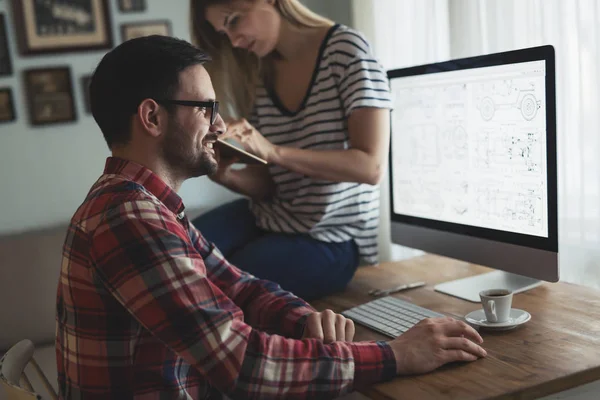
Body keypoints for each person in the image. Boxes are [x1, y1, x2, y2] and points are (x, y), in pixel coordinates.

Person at [55, 35, 486, 399]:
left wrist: (306, 320)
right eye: (206, 108)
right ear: (152, 116)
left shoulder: (151, 206)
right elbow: (243, 364)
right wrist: (397, 355)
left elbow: (239, 286)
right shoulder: (130, 218)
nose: (221, 126)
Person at [189, 0, 392, 300]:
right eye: (223, 32)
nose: (233, 41)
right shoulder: (259, 72)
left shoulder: (346, 51)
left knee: (225, 284)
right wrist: (225, 176)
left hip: (333, 238)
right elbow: (268, 184)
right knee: (178, 250)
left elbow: (370, 167)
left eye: (233, 21)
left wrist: (274, 152)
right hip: (270, 216)